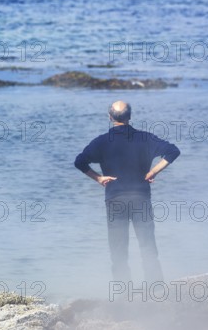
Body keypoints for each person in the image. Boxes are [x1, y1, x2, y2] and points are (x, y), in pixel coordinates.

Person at [74, 101, 180, 283]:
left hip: (115, 201)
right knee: (148, 246)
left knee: (118, 250)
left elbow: (79, 162)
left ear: (110, 117)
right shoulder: (145, 138)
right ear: (130, 117)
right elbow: (172, 151)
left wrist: (98, 178)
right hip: (141, 199)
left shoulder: (101, 142)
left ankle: (123, 295)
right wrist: (153, 171)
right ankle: (156, 289)